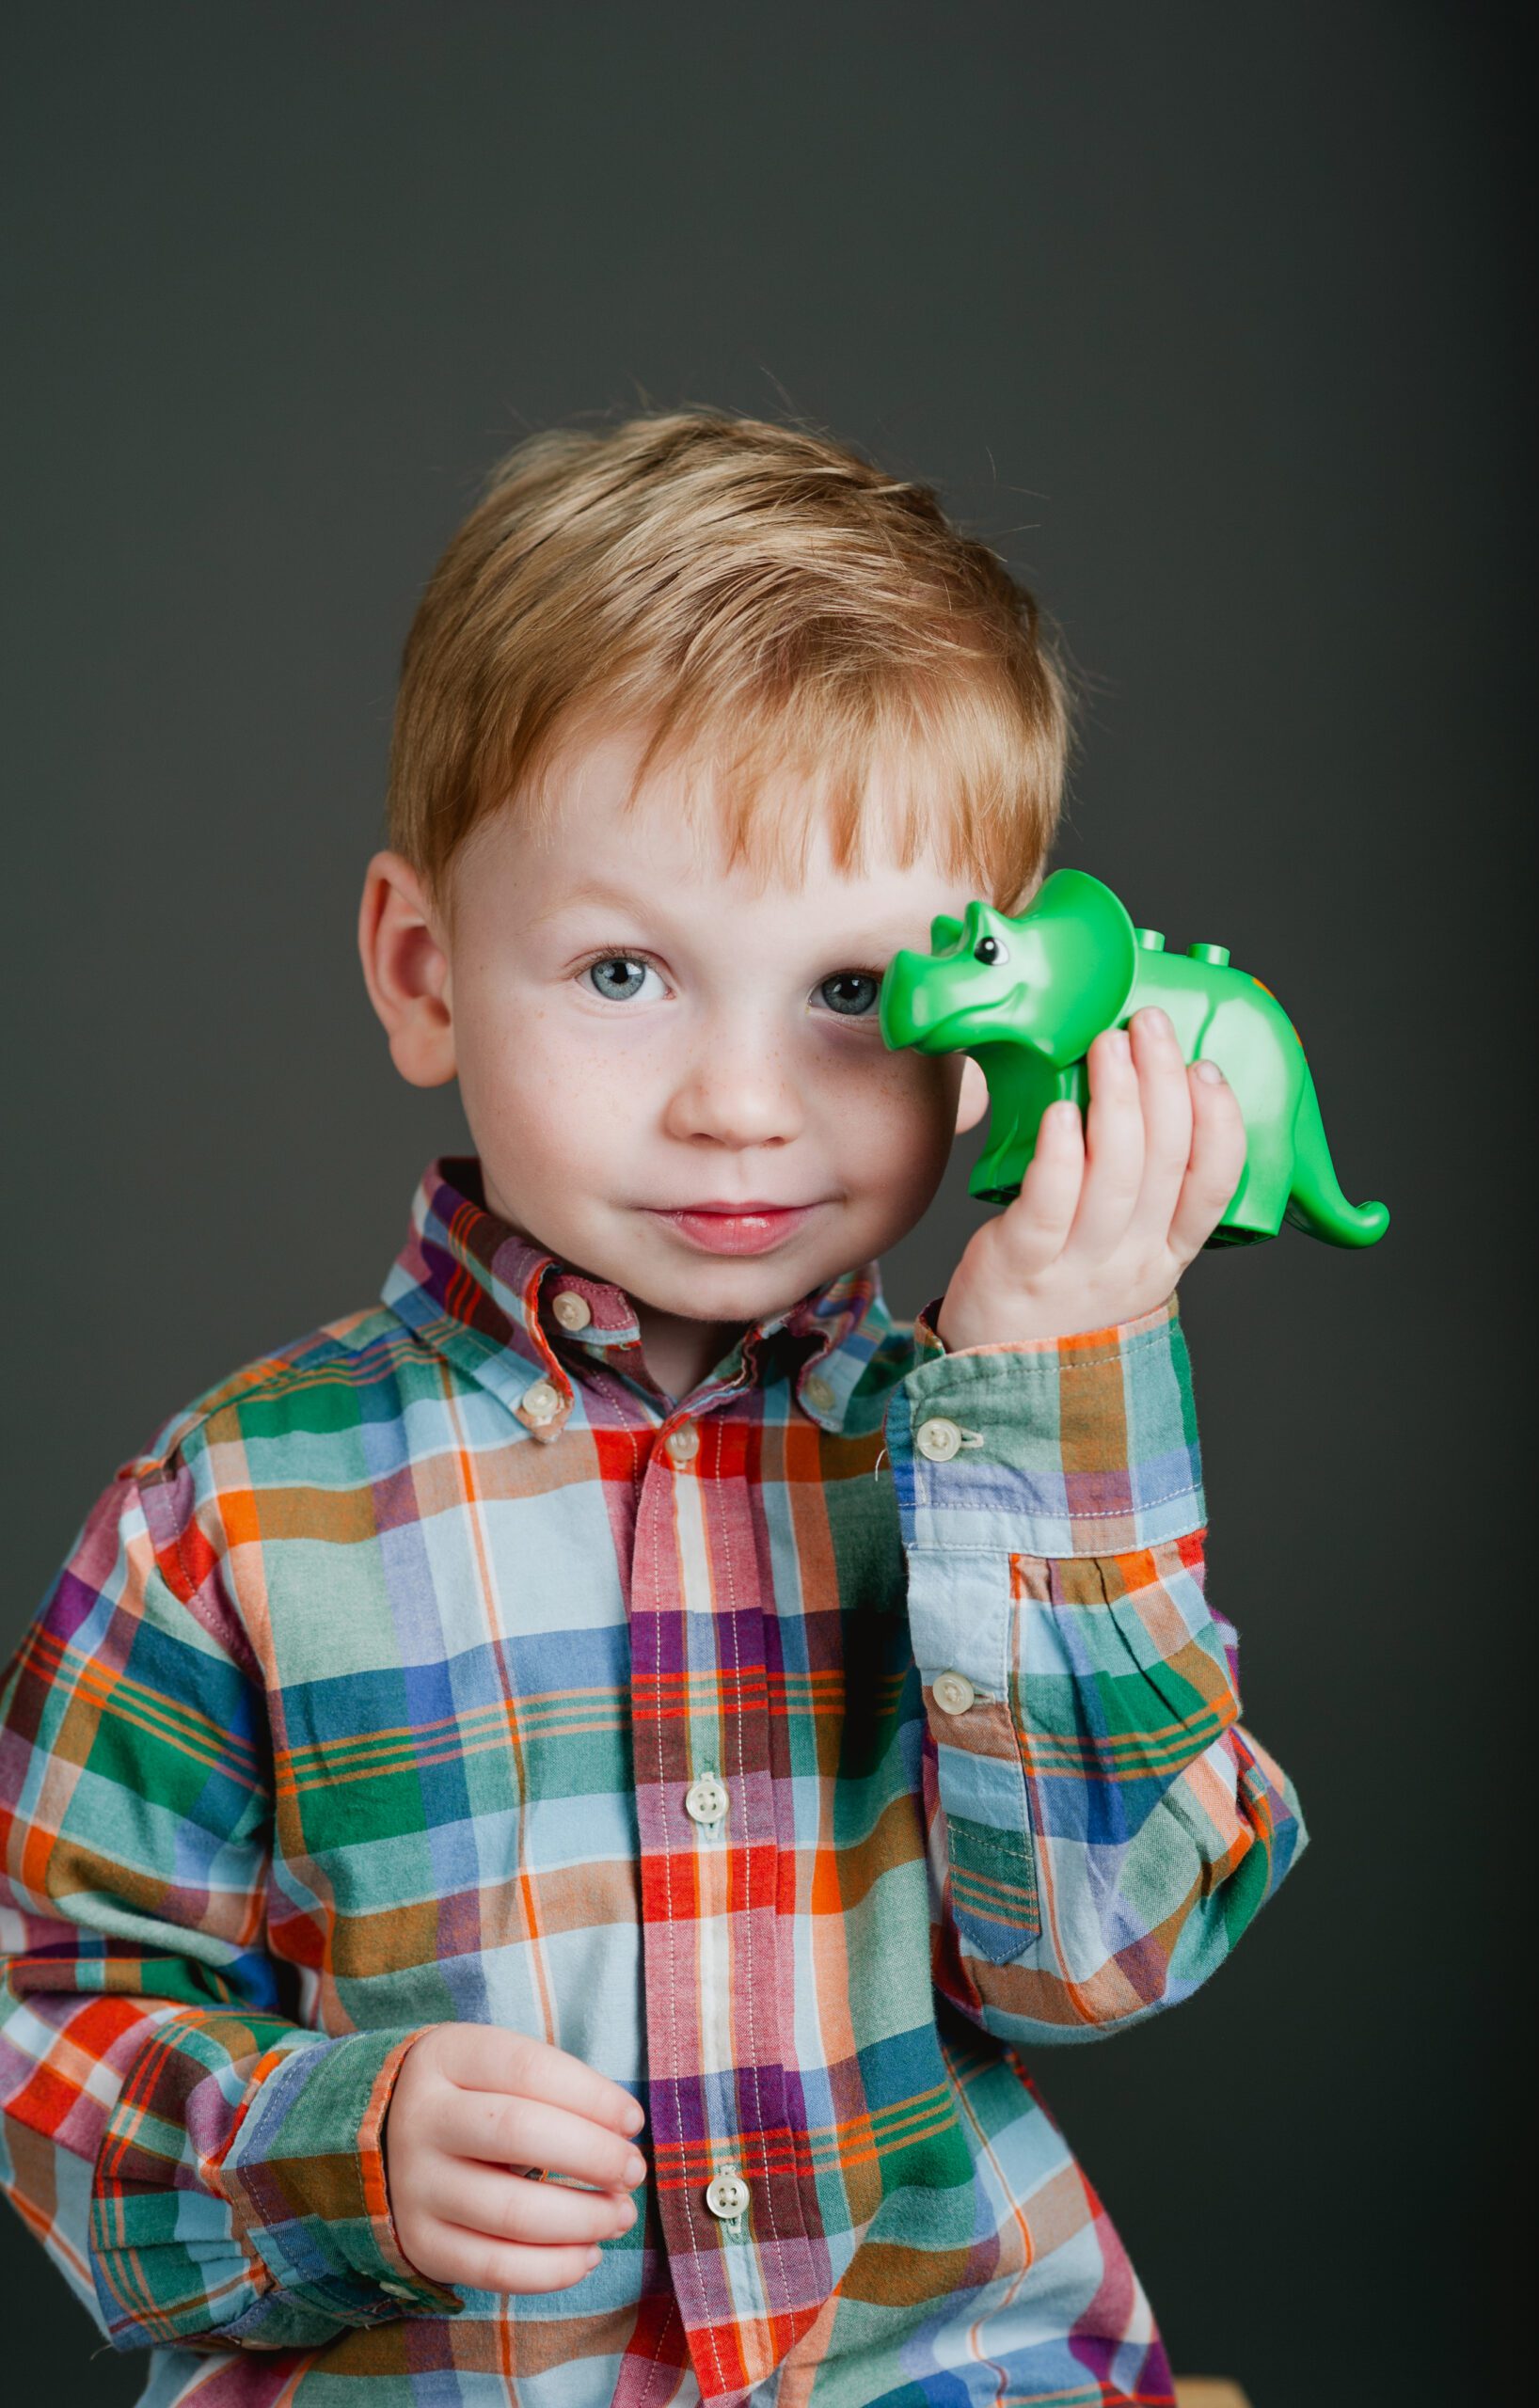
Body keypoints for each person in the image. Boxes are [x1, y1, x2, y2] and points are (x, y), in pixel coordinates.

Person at [0, 412, 1306, 2408]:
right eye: (625, 970)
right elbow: (53, 2016)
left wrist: (1043, 1389)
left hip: (935, 2361)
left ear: (997, 1019)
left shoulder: (999, 1443)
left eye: (854, 994)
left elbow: (1105, 1951)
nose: (740, 1101)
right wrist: (328, 2141)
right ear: (425, 971)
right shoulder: (229, 1511)